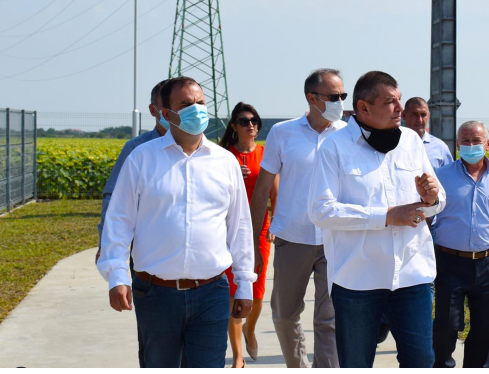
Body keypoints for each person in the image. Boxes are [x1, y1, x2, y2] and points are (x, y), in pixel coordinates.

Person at [97, 76, 256, 368]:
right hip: (156, 294)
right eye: (185, 104)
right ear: (166, 114)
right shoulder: (141, 158)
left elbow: (240, 229)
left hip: (212, 292)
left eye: (200, 103)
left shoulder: (225, 162)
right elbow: (119, 221)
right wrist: (117, 274)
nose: (196, 110)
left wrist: (244, 283)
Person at [308, 71, 446, 368]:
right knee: (356, 364)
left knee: (422, 361)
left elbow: (436, 203)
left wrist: (432, 198)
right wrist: (384, 217)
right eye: (390, 102)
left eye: (399, 100)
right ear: (363, 108)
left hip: (412, 276)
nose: (400, 108)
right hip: (358, 282)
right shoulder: (334, 147)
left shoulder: (411, 141)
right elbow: (321, 210)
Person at [248, 69, 346, 368]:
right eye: (333, 97)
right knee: (284, 313)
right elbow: (263, 188)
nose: (340, 101)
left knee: (329, 318)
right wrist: (253, 242)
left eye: (343, 96)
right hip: (293, 238)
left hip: (335, 238)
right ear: (312, 98)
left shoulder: (347, 134)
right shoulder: (283, 132)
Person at [431, 121, 489, 368]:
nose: (470, 146)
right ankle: (441, 366)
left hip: (487, 264)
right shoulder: (441, 177)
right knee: (446, 325)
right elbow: (428, 218)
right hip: (449, 262)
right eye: (465, 141)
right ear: (458, 144)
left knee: (484, 328)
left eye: (476, 141)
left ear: (488, 144)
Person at [95, 78, 168, 369]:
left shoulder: (205, 150)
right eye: (179, 106)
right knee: (155, 340)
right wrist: (109, 248)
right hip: (148, 262)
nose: (191, 113)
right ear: (156, 110)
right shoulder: (137, 149)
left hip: (199, 272)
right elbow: (114, 200)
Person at [218, 102, 279, 368]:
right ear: (234, 126)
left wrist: (275, 224)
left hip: (259, 231)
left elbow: (275, 194)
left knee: (256, 293)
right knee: (234, 290)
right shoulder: (223, 156)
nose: (251, 125)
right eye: (244, 121)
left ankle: (250, 329)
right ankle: (238, 356)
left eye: (254, 120)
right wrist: (232, 175)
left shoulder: (266, 155)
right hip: (227, 231)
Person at [402, 97, 453, 169]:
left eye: (423, 115)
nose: (419, 120)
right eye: (414, 114)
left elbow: (449, 176)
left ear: (428, 115)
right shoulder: (394, 144)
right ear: (404, 115)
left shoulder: (440, 147)